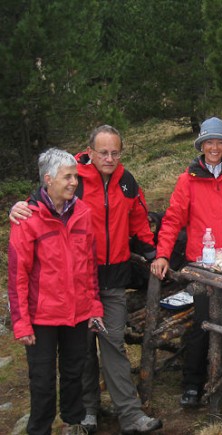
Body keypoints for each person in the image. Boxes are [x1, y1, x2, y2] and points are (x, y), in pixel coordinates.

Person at [10, 126, 162, 434]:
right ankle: (87, 410)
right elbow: (38, 206)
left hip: (112, 278)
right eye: (103, 152)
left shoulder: (127, 182)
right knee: (80, 353)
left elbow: (138, 221)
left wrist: (153, 254)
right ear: (89, 152)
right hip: (72, 287)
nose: (109, 158)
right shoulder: (72, 179)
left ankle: (129, 415)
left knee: (112, 344)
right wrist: (17, 208)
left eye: (115, 152)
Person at [150, 116, 222, 408]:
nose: (214, 147)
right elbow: (172, 220)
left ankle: (221, 378)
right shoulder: (188, 180)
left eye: (219, 142)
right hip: (202, 268)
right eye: (209, 142)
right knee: (203, 323)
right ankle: (192, 383)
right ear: (201, 145)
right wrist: (162, 253)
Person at [8, 148, 104, 435]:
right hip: (41, 316)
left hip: (76, 313)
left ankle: (73, 426)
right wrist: (22, 323)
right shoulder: (27, 218)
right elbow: (17, 277)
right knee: (42, 380)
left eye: (75, 176)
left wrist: (94, 307)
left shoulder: (83, 212)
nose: (74, 182)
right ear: (48, 179)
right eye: (67, 176)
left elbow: (89, 267)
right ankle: (40, 429)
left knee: (75, 373)